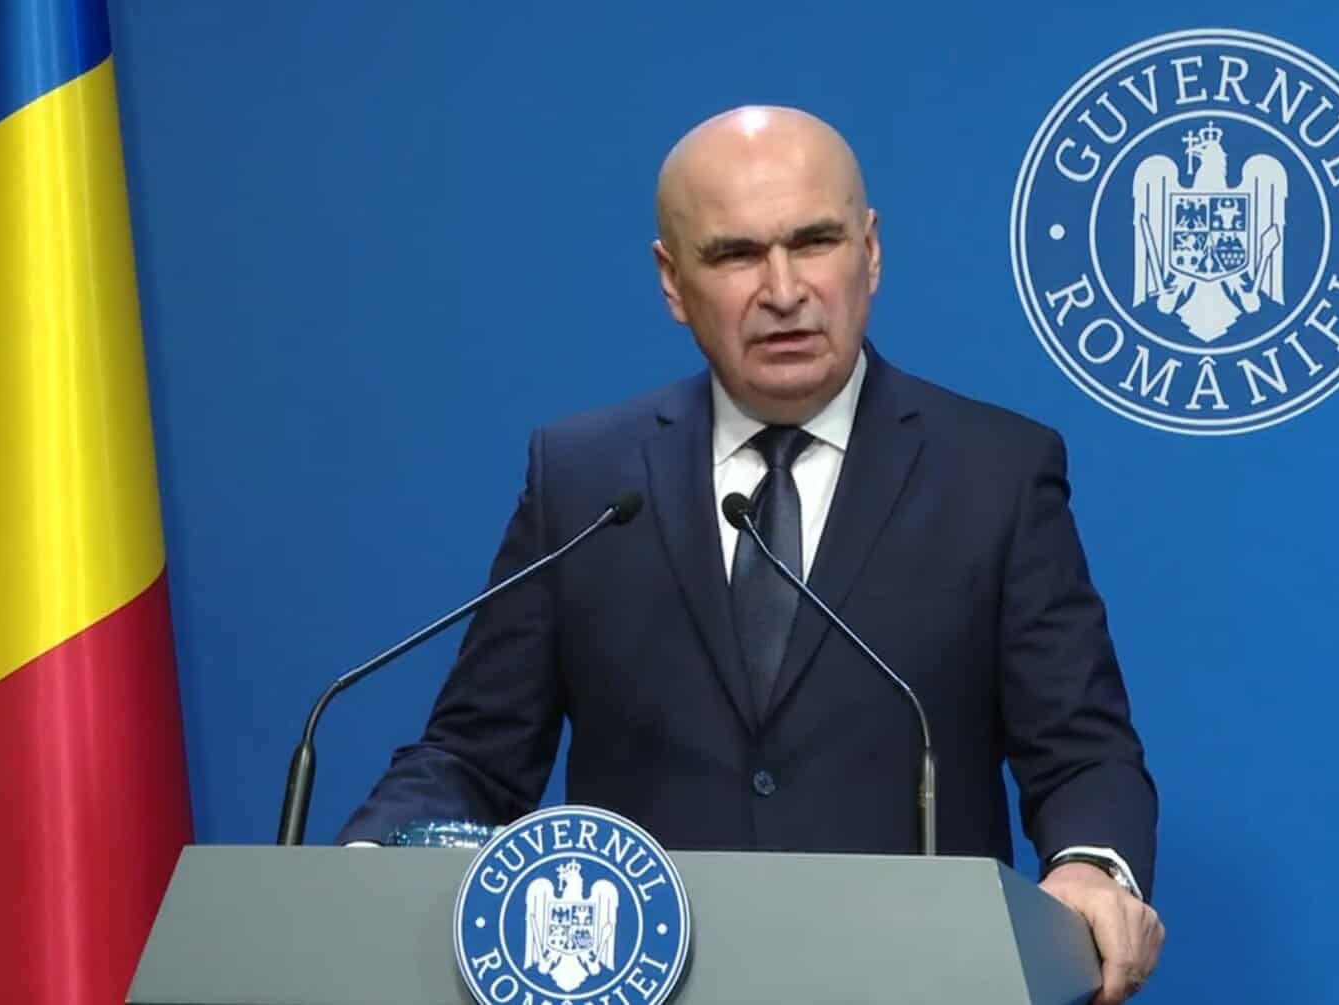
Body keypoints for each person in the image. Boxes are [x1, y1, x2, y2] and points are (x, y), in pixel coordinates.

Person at [339, 106, 1163, 1001]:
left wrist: (1090, 866)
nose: (782, 289)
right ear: (672, 281)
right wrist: (369, 858)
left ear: (870, 252)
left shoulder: (994, 472)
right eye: (735, 255)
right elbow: (474, 753)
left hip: (914, 981)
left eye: (813, 242)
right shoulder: (584, 479)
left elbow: (1080, 751)